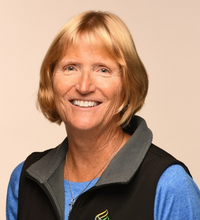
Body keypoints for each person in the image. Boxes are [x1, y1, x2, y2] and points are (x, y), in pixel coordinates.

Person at [6, 11, 200, 220]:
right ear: (51, 79)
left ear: (127, 85)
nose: (84, 86)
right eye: (71, 67)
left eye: (103, 70)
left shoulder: (168, 186)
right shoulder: (24, 181)